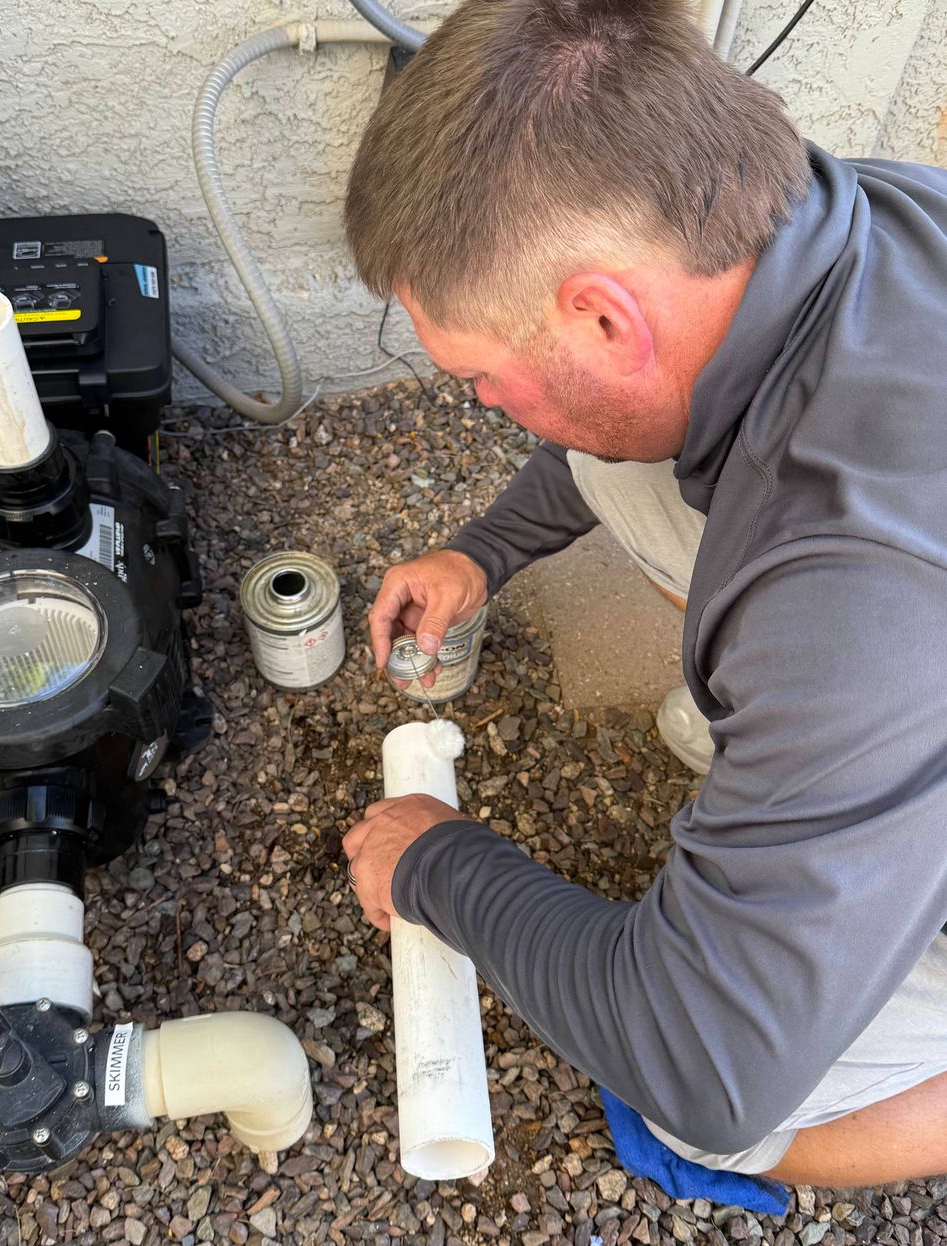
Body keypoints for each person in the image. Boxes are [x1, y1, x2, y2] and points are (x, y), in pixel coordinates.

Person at [341, 0, 947, 1189]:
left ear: (606, 316)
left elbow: (697, 1055)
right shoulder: (852, 218)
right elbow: (610, 429)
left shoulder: (853, 609)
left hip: (889, 645)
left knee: (713, 1114)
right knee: (613, 455)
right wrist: (484, 550)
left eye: (478, 379)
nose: (481, 406)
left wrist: (435, 861)